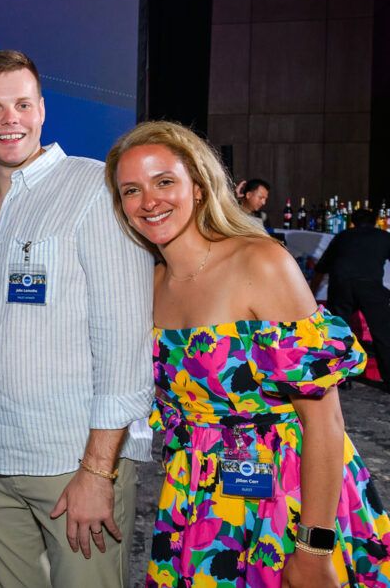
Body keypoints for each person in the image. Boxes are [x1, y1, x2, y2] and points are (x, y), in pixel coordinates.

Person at [105, 120, 390, 587]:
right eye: (131, 190)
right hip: (200, 502)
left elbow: (326, 422)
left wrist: (313, 547)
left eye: (164, 181)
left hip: (291, 500)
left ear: (199, 187)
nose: (149, 201)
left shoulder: (260, 262)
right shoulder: (150, 285)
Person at [0, 50, 155, 587]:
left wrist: (98, 471)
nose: (10, 119)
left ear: (42, 110)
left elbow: (125, 344)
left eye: (22, 104)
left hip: (73, 465)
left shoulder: (94, 190)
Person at [313, 207, 390, 390]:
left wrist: (312, 292)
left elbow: (321, 267)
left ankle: (341, 377)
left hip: (341, 285)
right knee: (383, 333)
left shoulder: (342, 236)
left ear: (353, 222)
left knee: (338, 331)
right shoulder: (384, 237)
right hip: (369, 286)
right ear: (374, 222)